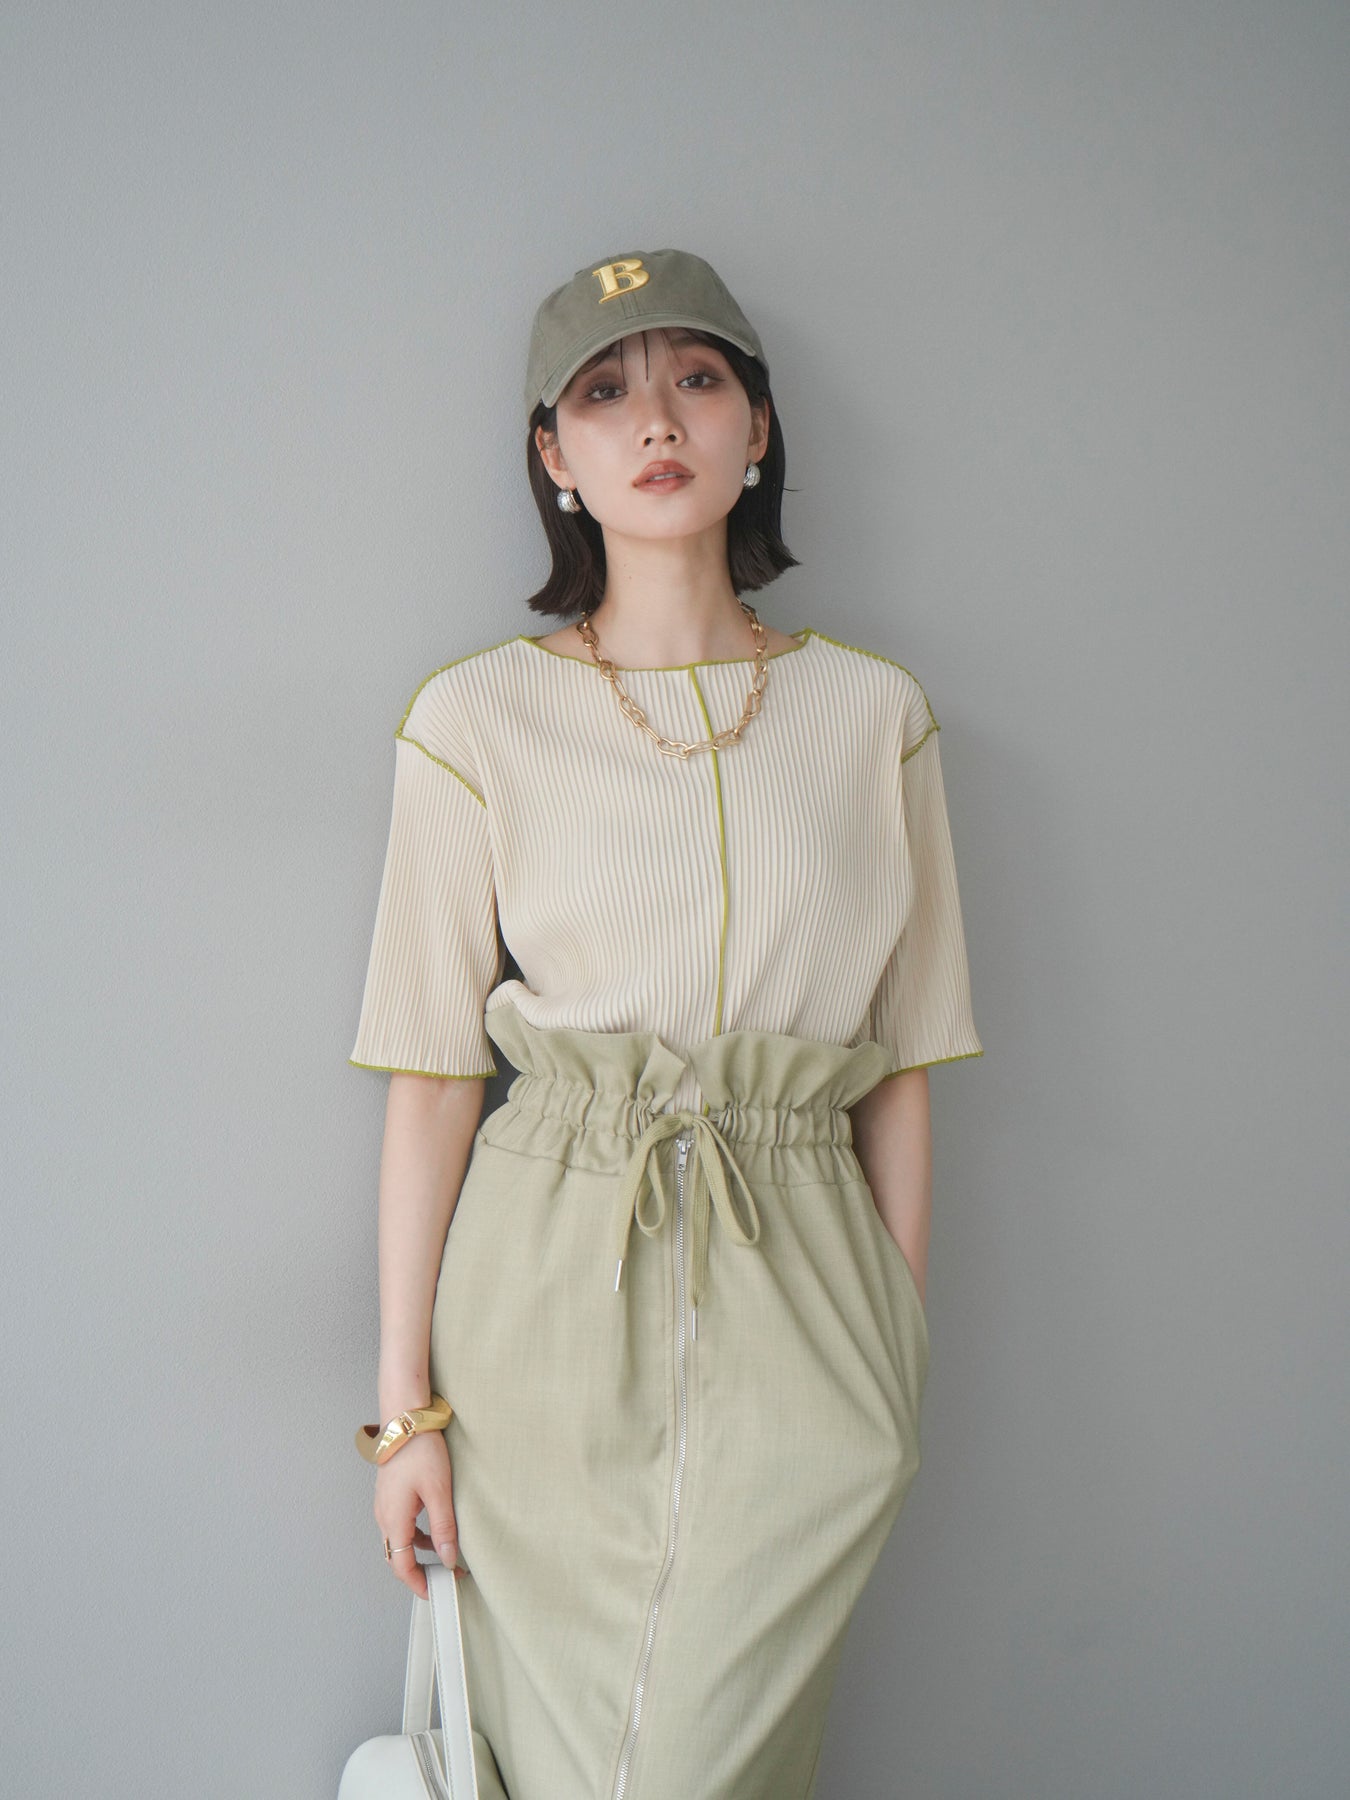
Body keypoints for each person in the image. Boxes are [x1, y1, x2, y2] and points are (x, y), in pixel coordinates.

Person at [347, 246, 983, 1800]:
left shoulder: (874, 715)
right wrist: (403, 1412)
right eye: (603, 392)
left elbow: (902, 1067)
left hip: (804, 1270)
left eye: (697, 380)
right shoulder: (473, 717)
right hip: (548, 1280)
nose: (656, 421)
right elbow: (432, 1080)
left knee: (709, 1757)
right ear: (553, 457)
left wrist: (889, 1344)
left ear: (755, 429)